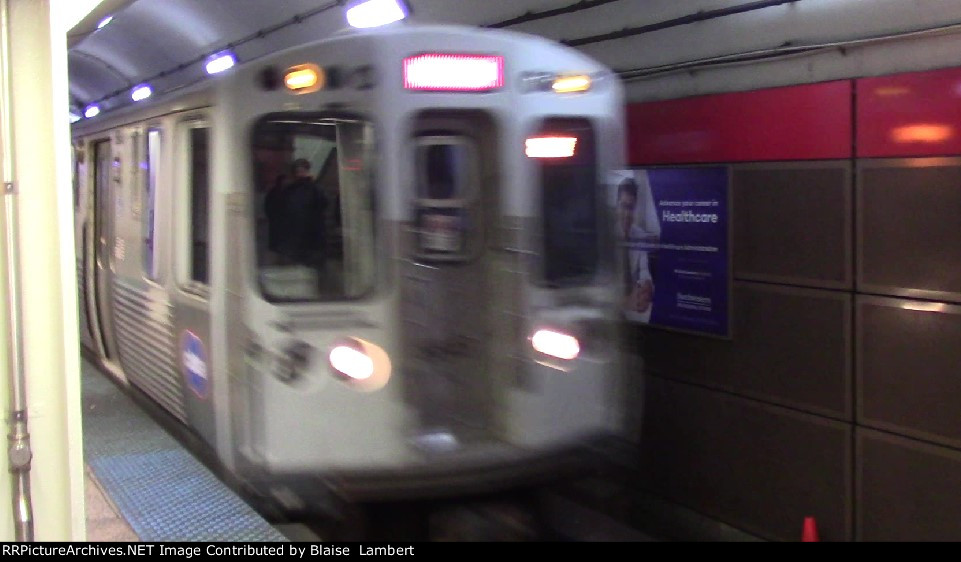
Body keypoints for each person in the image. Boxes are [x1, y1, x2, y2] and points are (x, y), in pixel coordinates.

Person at [616, 172, 660, 321]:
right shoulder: (606, 235)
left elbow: (643, 270)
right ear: (617, 206)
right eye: (624, 206)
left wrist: (646, 286)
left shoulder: (639, 235)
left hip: (633, 308)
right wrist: (624, 301)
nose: (627, 214)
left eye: (631, 208)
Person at [266, 158, 327, 265]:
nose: (301, 173)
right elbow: (278, 211)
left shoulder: (315, 189)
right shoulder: (289, 190)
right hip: (295, 239)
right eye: (299, 171)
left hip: (309, 238)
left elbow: (322, 206)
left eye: (303, 170)